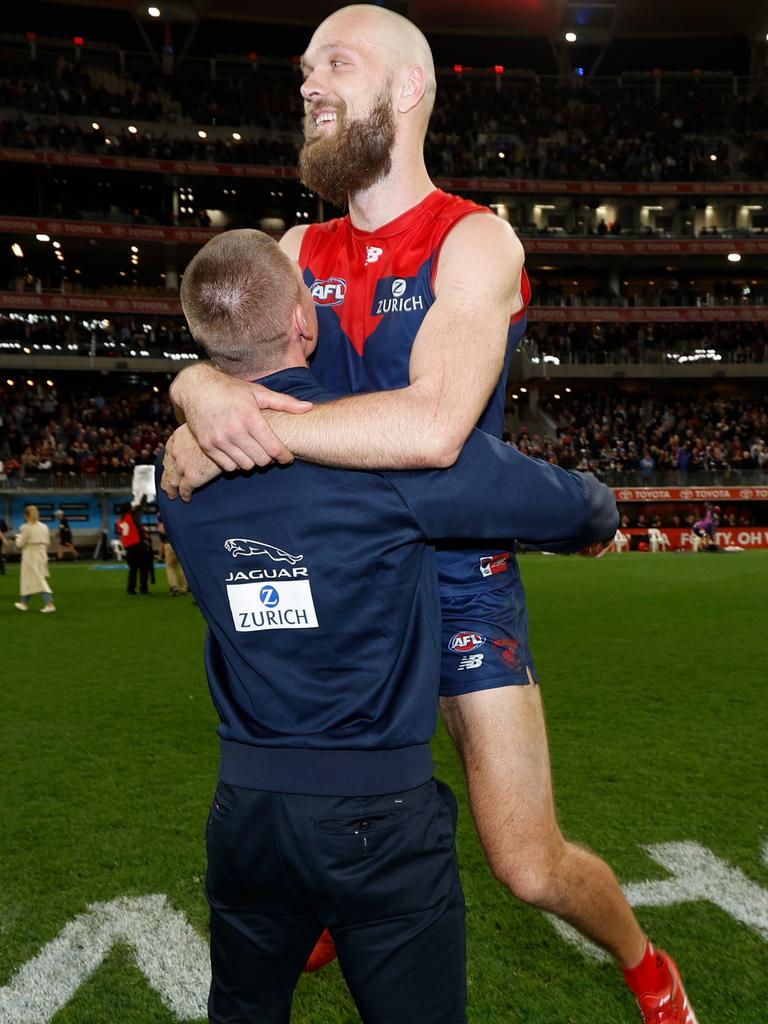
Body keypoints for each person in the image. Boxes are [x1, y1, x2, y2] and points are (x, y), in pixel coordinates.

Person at [162, 7, 697, 1022]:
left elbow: (437, 429)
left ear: (408, 90)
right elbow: (228, 347)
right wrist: (198, 384)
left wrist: (230, 415)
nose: (308, 82)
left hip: (456, 575)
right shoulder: (293, 243)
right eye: (306, 67)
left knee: (528, 864)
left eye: (336, 64)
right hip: (349, 582)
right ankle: (333, 893)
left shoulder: (474, 237)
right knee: (316, 794)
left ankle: (643, 961)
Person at [159, 228, 618, 1024]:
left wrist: (190, 394)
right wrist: (599, 521)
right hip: (378, 818)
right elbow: (573, 506)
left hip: (247, 815)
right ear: (306, 319)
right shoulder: (388, 459)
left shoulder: (182, 478)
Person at [14, 505, 55, 613]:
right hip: (42, 554)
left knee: (38, 579)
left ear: (26, 515)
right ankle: (24, 603)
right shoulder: (44, 526)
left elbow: (20, 544)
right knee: (30, 579)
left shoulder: (25, 527)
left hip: (31, 555)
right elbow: (48, 542)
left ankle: (49, 604)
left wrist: (17, 539)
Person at [115, 503, 151, 595]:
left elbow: (121, 532)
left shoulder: (119, 521)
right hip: (137, 545)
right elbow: (139, 508)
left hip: (128, 548)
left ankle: (131, 589)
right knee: (144, 568)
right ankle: (143, 589)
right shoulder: (130, 516)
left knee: (133, 569)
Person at [156, 511, 189, 596]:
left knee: (170, 566)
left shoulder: (161, 526)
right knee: (182, 567)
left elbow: (162, 542)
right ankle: (184, 588)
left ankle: (174, 587)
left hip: (169, 544)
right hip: (182, 544)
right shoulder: (179, 520)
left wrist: (160, 556)